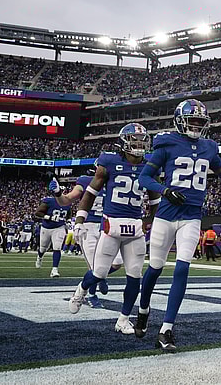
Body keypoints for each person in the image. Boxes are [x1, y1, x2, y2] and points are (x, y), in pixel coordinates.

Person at [136, 99, 221, 351]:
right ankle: (143, 309)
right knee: (154, 268)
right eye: (192, 120)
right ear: (179, 120)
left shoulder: (209, 147)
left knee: (182, 268)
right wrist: (165, 191)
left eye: (200, 121)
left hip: (192, 216)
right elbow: (144, 177)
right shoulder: (166, 144)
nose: (196, 125)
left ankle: (166, 329)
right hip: (165, 215)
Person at [69, 123, 160, 336]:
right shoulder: (108, 162)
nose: (139, 144)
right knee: (99, 273)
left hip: (135, 228)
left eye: (142, 140)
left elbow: (155, 201)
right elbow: (90, 193)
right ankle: (81, 290)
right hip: (111, 226)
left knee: (134, 276)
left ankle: (123, 319)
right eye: (134, 140)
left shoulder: (151, 166)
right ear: (124, 143)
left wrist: (154, 224)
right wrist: (80, 220)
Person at [51, 169, 122, 309]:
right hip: (88, 226)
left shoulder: (115, 181)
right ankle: (91, 295)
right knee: (95, 268)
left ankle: (101, 277)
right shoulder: (84, 181)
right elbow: (67, 199)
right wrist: (58, 193)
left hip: (106, 224)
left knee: (117, 262)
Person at [34, 188, 73, 278]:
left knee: (57, 247)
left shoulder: (67, 202)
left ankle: (54, 269)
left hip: (59, 227)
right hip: (46, 227)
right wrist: (49, 217)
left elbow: (69, 214)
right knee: (43, 248)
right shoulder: (49, 201)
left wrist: (69, 220)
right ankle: (39, 257)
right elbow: (37, 213)